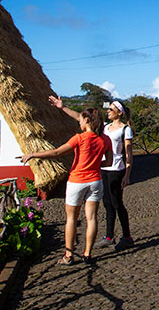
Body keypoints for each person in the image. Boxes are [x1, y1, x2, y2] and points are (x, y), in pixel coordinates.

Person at [19, 107, 111, 265]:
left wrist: (32, 155)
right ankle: (87, 254)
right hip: (95, 180)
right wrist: (94, 164)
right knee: (92, 218)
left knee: (71, 219)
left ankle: (68, 255)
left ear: (87, 120)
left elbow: (57, 153)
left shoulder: (80, 138)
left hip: (77, 181)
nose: (79, 122)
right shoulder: (105, 139)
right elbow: (108, 162)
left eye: (81, 119)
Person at [49, 95, 134, 250]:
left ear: (119, 113)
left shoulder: (125, 130)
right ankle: (109, 236)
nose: (108, 111)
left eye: (111, 109)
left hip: (117, 170)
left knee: (117, 203)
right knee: (107, 204)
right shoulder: (106, 127)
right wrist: (63, 107)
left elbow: (128, 154)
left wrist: (127, 175)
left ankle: (127, 236)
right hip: (103, 169)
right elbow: (81, 118)